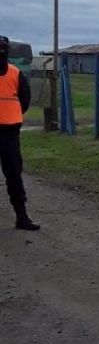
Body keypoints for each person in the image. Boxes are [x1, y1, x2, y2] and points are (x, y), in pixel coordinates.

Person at [0, 36, 40, 231]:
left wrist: (12, 115)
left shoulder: (15, 74)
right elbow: (24, 101)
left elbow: (24, 100)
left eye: (3, 49)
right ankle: (22, 217)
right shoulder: (16, 73)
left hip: (9, 132)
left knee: (14, 176)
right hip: (9, 131)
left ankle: (21, 217)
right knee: (14, 176)